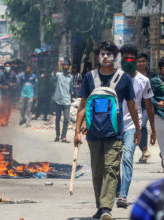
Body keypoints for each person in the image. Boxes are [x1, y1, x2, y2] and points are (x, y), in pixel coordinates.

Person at [74, 40, 140, 220]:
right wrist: (77, 131)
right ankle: (100, 206)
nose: (105, 57)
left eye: (109, 54)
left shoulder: (124, 78)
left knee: (111, 169)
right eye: (102, 53)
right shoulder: (89, 77)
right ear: (98, 56)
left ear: (115, 56)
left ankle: (106, 208)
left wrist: (138, 129)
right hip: (93, 133)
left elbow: (132, 105)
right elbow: (82, 105)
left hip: (116, 132)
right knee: (97, 171)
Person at [116, 45, 156, 208]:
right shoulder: (115, 78)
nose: (128, 61)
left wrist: (153, 129)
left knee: (127, 158)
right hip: (116, 124)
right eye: (125, 58)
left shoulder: (143, 80)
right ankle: (118, 188)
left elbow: (149, 104)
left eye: (131, 58)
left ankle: (123, 195)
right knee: (114, 160)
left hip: (134, 123)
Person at [136, 53, 156, 163]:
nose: (141, 64)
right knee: (139, 127)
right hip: (136, 106)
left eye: (143, 61)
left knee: (142, 125)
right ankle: (144, 150)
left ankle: (144, 149)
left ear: (146, 62)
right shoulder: (133, 76)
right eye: (139, 61)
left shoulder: (151, 76)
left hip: (148, 106)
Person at [52, 59, 73, 143]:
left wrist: (71, 98)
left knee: (66, 119)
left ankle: (63, 136)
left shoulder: (71, 77)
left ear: (69, 66)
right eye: (64, 65)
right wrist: (58, 65)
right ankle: (57, 135)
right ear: (62, 66)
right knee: (57, 119)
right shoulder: (58, 75)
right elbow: (53, 74)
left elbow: (70, 89)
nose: (65, 66)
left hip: (67, 100)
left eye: (67, 65)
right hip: (58, 100)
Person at [151, 57, 164, 172]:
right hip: (159, 115)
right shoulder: (155, 81)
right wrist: (157, 103)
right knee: (162, 140)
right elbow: (150, 98)